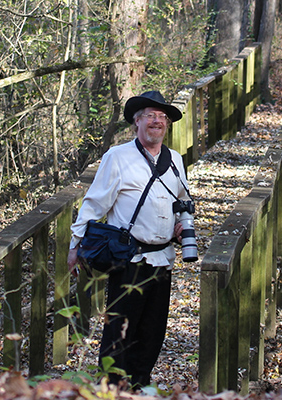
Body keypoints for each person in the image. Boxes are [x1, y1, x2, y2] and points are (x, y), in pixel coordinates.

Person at [67, 90, 192, 389]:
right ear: (137, 122)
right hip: (129, 259)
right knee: (120, 333)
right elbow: (94, 204)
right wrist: (75, 245)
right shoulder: (118, 157)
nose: (157, 122)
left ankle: (139, 388)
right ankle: (111, 390)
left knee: (152, 333)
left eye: (162, 118)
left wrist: (179, 226)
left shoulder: (174, 159)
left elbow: (181, 200)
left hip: (163, 260)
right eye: (150, 116)